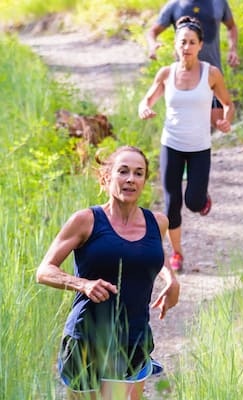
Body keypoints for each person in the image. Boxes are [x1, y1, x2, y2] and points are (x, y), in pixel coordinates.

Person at [36, 146, 180, 400]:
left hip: (134, 336)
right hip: (87, 338)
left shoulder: (157, 222)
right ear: (106, 178)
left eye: (138, 173)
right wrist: (82, 284)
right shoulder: (86, 221)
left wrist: (171, 278)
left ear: (145, 181)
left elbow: (152, 252)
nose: (130, 179)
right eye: (122, 172)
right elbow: (44, 271)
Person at [138, 16, 234, 271]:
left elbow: (227, 104)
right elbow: (146, 100)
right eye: (182, 42)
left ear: (201, 45)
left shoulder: (211, 74)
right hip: (171, 144)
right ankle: (177, 253)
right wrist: (144, 109)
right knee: (172, 204)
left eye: (192, 42)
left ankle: (202, 199)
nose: (187, 47)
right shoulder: (166, 73)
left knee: (193, 201)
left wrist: (225, 121)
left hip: (200, 147)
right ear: (175, 45)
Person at [146, 0, 239, 126]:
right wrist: (152, 45)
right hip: (184, 77)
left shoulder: (219, 3)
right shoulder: (175, 5)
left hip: (212, 76)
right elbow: (152, 31)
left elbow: (231, 26)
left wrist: (233, 49)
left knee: (216, 123)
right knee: (186, 124)